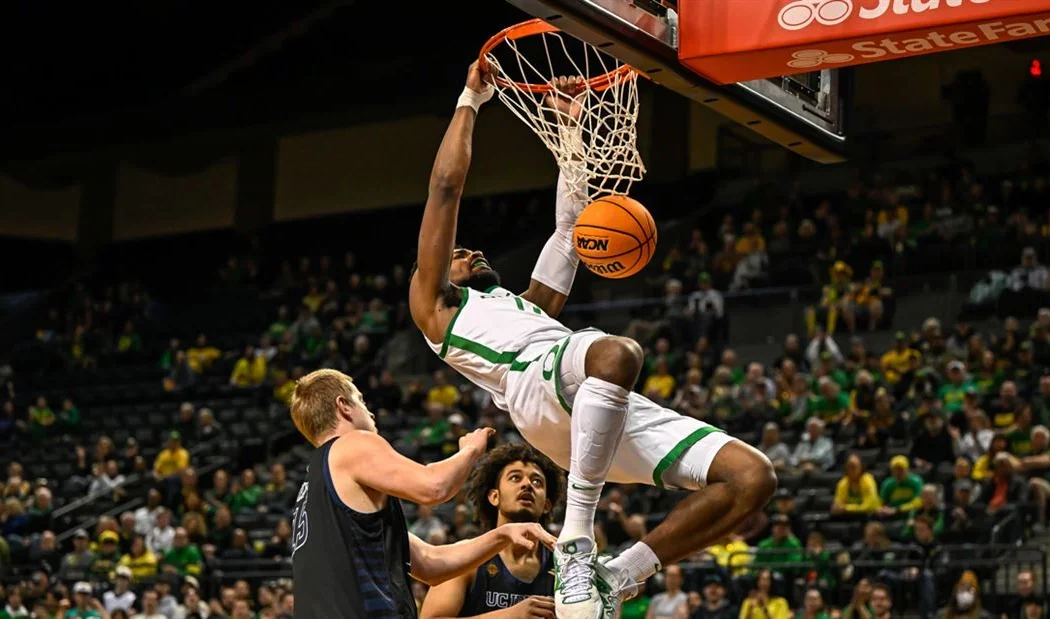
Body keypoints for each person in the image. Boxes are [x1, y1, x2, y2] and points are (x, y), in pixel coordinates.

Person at [409, 62, 776, 618]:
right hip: (534, 385)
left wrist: (570, 128)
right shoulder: (437, 305)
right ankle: (577, 538)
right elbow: (444, 188)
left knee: (751, 477)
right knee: (618, 352)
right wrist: (470, 99)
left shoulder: (528, 305)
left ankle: (617, 577)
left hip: (586, 399)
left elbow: (569, 229)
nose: (472, 252)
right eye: (460, 255)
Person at [288, 369, 555, 618]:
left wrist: (502, 535)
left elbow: (430, 564)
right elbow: (434, 487)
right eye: (361, 401)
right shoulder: (352, 444)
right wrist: (470, 451)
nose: (370, 412)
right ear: (343, 406)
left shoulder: (316, 487)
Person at [420, 443, 563, 618]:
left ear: (547, 505)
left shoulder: (563, 566)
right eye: (515, 478)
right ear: (495, 497)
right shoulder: (465, 558)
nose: (527, 484)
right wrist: (509, 616)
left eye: (537, 481)